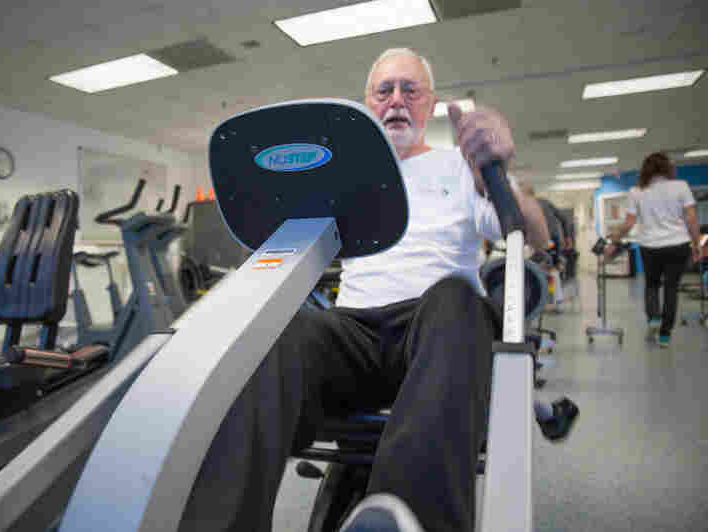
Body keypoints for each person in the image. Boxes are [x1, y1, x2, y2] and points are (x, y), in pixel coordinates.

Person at [178, 48, 549, 532]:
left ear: (430, 103)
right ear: (368, 104)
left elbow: (537, 236)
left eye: (410, 90)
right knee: (276, 333)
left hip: (435, 328)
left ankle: (407, 517)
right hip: (353, 333)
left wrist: (496, 169)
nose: (397, 100)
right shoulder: (347, 175)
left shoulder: (461, 167)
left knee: (457, 297)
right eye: (384, 90)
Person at [607, 152, 702, 348]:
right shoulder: (681, 187)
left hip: (650, 246)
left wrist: (614, 240)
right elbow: (691, 219)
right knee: (671, 288)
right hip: (678, 244)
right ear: (668, 168)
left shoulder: (637, 192)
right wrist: (697, 245)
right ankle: (665, 335)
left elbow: (629, 223)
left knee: (651, 285)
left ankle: (654, 318)